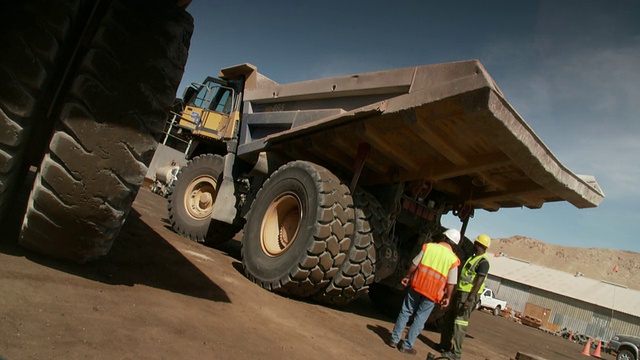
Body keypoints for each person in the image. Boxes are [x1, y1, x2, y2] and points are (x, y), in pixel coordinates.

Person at [388, 229, 461, 356]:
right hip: (433, 294)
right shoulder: (453, 260)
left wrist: (407, 276)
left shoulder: (429, 247)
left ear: (444, 237)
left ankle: (393, 340)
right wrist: (448, 297)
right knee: (420, 319)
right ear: (454, 244)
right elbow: (451, 283)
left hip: (417, 286)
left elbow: (414, 264)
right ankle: (406, 346)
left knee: (405, 312)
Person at [440, 234, 491, 360]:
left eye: (476, 243)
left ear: (479, 245)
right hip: (461, 292)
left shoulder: (483, 262)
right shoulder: (474, 258)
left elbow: (479, 281)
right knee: (449, 319)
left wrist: (470, 299)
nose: (473, 245)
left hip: (467, 296)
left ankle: (456, 353)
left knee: (460, 324)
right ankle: (445, 346)